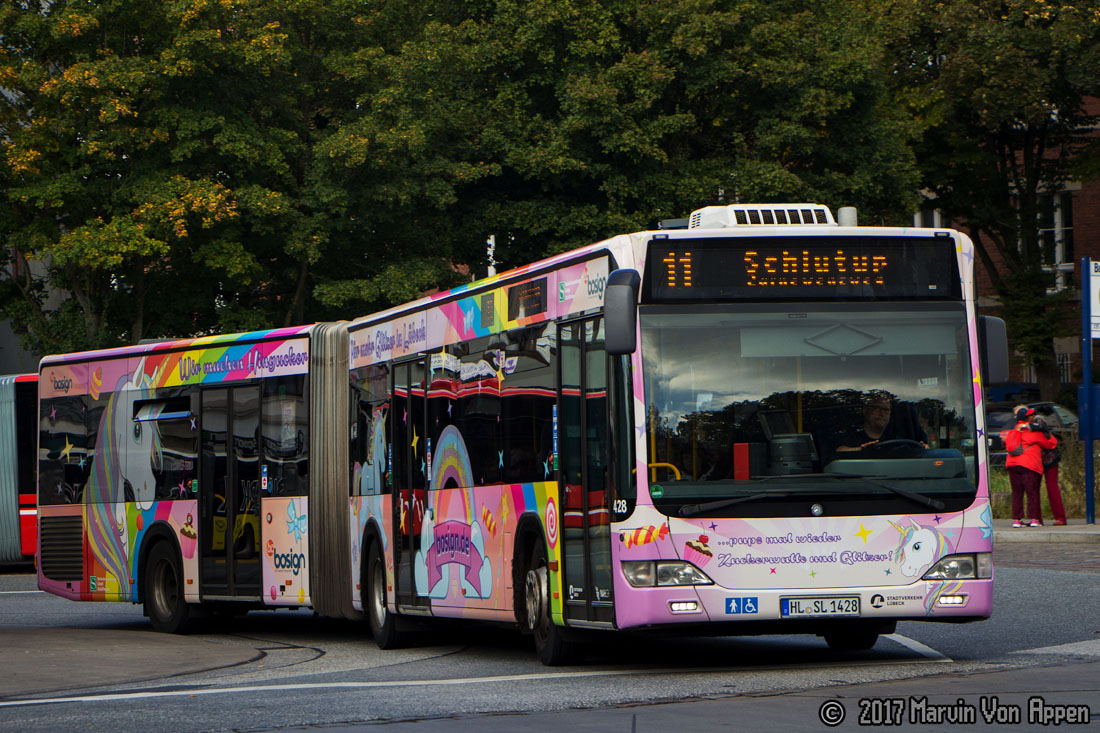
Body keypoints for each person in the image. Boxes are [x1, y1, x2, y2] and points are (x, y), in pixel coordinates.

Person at [1002, 405, 1057, 527]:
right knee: (1032, 492)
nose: (1032, 417)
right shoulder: (1033, 433)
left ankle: (1017, 520)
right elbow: (1050, 444)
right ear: (1028, 418)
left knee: (1017, 493)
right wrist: (1050, 435)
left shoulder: (1012, 432)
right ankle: (1034, 519)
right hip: (1029, 465)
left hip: (1012, 465)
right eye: (1030, 416)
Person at [835, 392, 928, 452]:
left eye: (886, 410)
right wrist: (861, 449)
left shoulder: (897, 439)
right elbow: (839, 451)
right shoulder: (851, 436)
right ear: (865, 410)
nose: (882, 413)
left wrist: (924, 449)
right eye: (877, 408)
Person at [1029, 414, 1067, 526]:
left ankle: (1060, 517)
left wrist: (1028, 426)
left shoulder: (1036, 421)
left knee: (1052, 487)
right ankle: (1036, 518)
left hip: (1049, 459)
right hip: (1035, 460)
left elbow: (1042, 427)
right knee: (1033, 489)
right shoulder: (1020, 427)